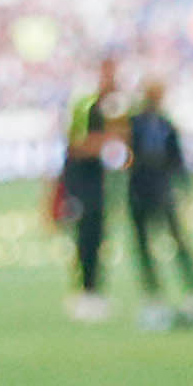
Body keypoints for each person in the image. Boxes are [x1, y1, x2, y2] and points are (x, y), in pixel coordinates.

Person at [123, 78, 193, 326]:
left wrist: (183, 186)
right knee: (144, 245)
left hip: (162, 190)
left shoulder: (166, 125)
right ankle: (152, 292)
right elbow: (126, 157)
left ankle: (192, 288)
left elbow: (177, 159)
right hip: (140, 190)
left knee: (177, 239)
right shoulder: (133, 124)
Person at [54, 60, 121, 322]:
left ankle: (94, 291)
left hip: (99, 182)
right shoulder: (86, 105)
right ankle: (84, 293)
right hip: (80, 182)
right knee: (85, 237)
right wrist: (106, 144)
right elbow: (76, 145)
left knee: (98, 237)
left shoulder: (112, 109)